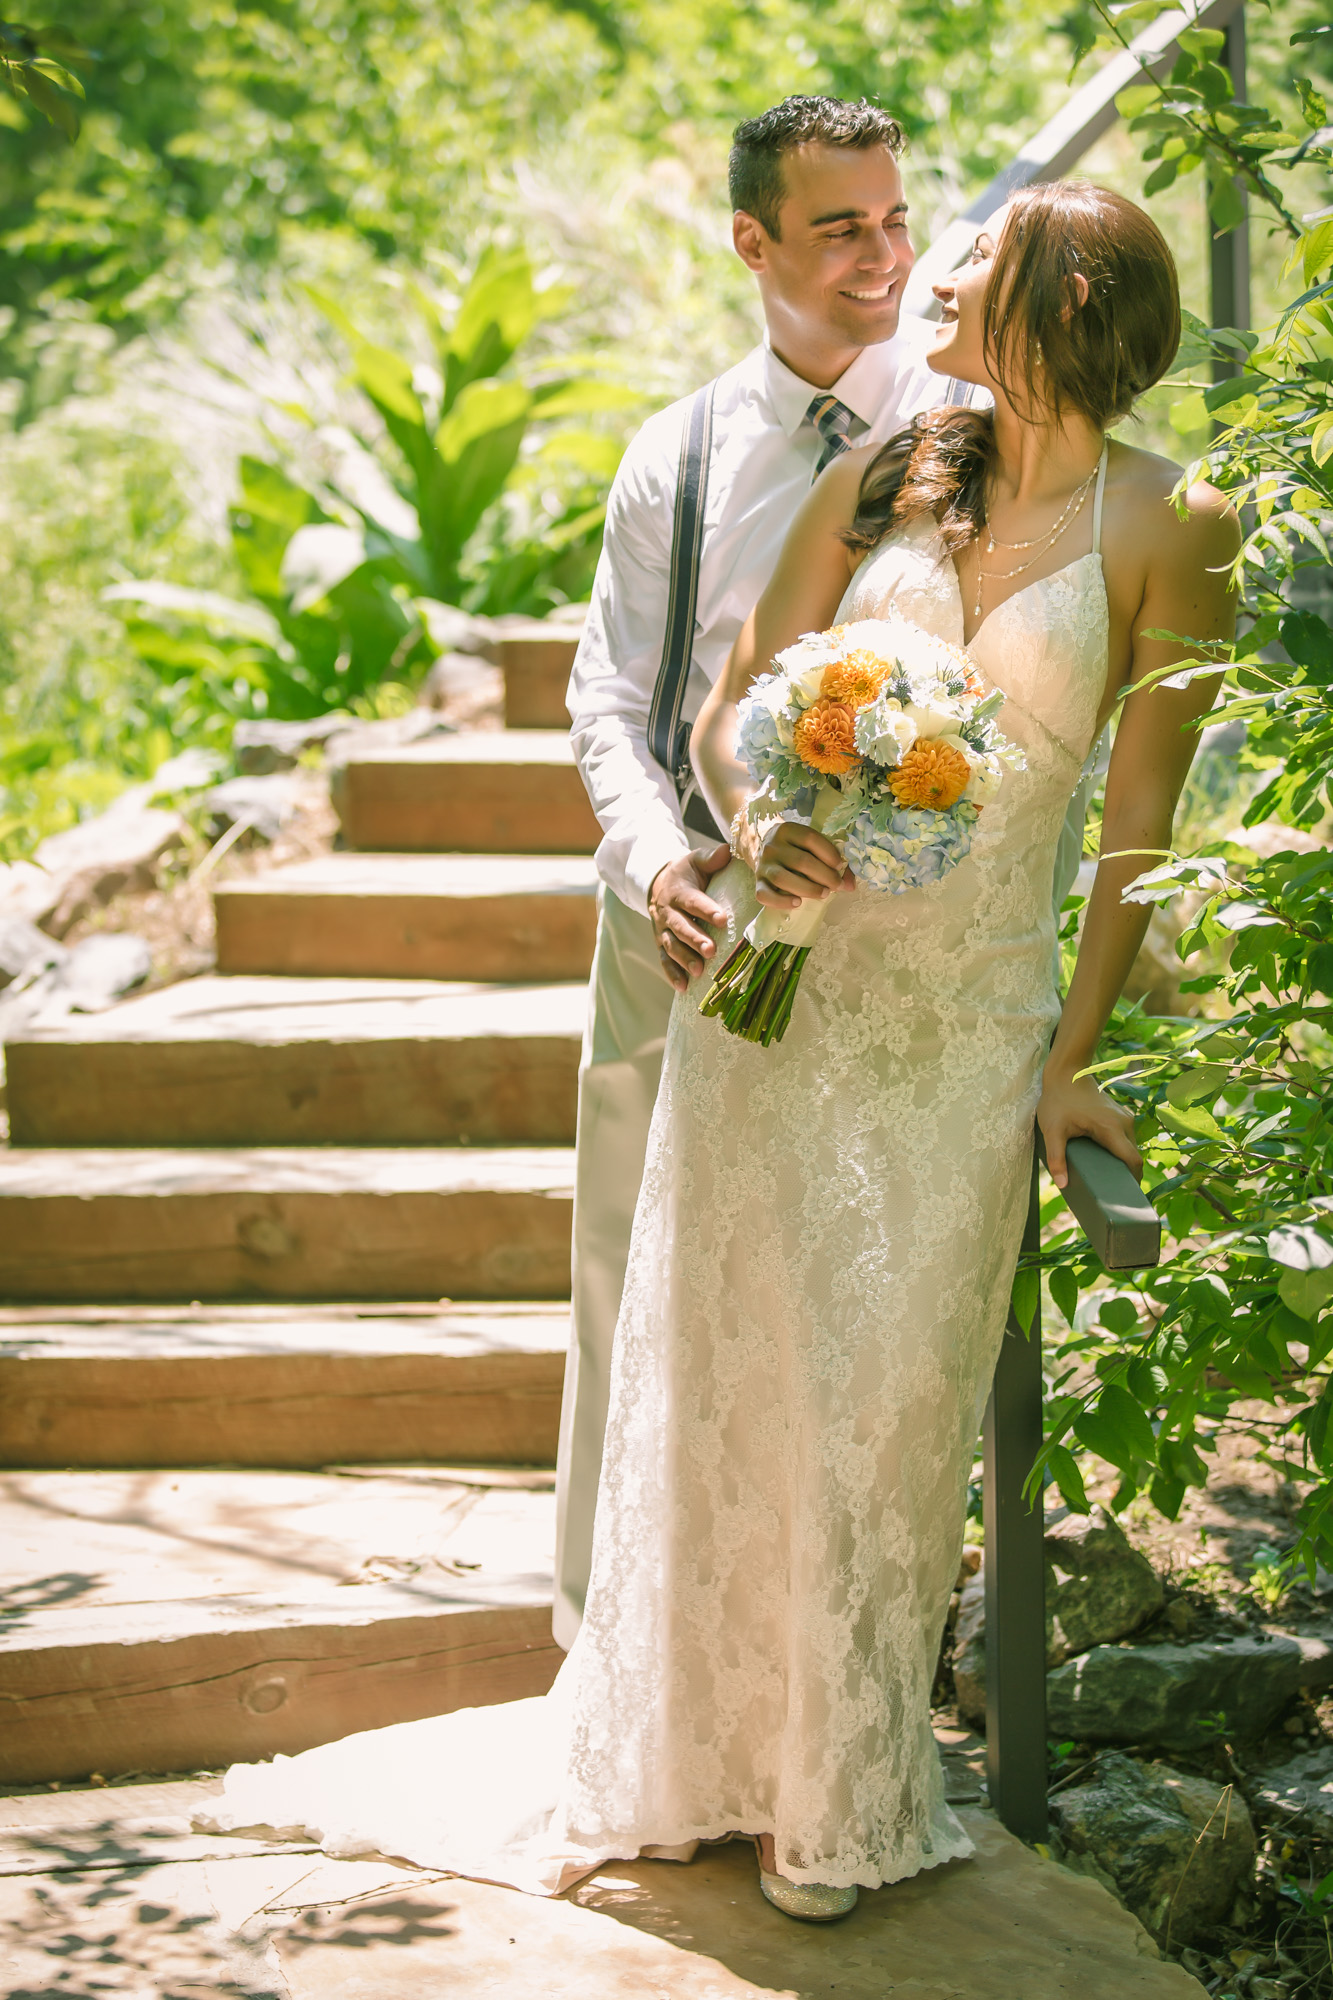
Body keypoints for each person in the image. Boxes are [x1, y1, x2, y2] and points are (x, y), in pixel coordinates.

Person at [199, 176, 1236, 1923]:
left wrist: (1069, 1062)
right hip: (775, 999)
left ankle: (833, 1787)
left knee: (875, 1408)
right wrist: (756, 831)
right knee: (728, 1375)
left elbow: (1134, 832)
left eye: (971, 255)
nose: (932, 271)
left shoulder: (1168, 519)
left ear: (1065, 298)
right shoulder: (893, 468)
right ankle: (688, 1761)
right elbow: (731, 695)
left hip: (960, 1029)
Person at [556, 92, 983, 1650]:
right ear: (750, 241)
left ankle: (813, 1658)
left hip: (882, 941)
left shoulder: (966, 430)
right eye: (835, 227)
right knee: (627, 1285)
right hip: (677, 918)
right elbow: (611, 696)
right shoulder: (672, 453)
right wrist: (656, 854)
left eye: (892, 218)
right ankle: (602, 1653)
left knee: (833, 1305)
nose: (882, 257)